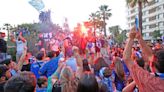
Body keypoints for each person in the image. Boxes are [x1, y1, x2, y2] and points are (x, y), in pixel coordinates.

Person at [123, 26, 164, 92]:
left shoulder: (147, 79)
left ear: (152, 66)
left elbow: (126, 58)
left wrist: (131, 38)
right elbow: (150, 55)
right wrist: (139, 38)